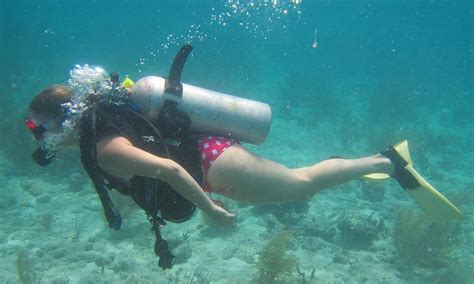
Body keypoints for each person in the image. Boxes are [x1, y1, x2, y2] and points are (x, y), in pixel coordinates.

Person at [24, 55, 461, 269]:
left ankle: (386, 162)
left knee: (302, 184)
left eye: (39, 129)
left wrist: (210, 210)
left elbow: (170, 170)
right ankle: (353, 164)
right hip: (210, 165)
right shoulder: (103, 131)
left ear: (64, 122)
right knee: (297, 183)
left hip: (210, 164)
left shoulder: (103, 147)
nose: (42, 140)